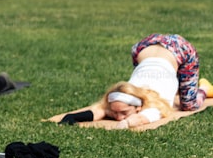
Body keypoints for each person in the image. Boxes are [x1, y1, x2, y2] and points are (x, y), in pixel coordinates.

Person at [57, 34, 206, 128]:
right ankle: (183, 88)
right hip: (143, 47)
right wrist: (72, 118)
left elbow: (140, 119)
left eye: (123, 113)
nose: (118, 117)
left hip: (180, 49)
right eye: (115, 113)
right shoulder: (127, 96)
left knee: (189, 104)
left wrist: (125, 123)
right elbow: (100, 110)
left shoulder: (154, 107)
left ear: (138, 107)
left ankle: (204, 89)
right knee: (182, 89)